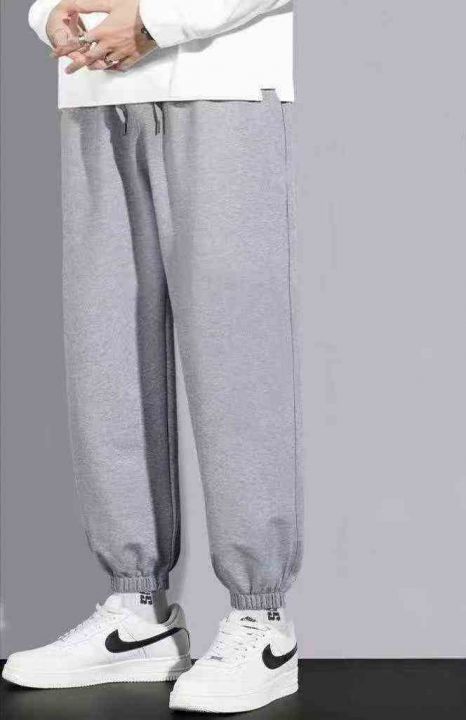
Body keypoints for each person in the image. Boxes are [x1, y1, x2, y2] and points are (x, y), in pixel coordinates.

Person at [2, 0, 303, 712]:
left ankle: (262, 622)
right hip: (93, 89)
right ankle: (140, 614)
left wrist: (156, 21)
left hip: (220, 83)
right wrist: (48, 13)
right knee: (107, 354)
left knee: (234, 354)